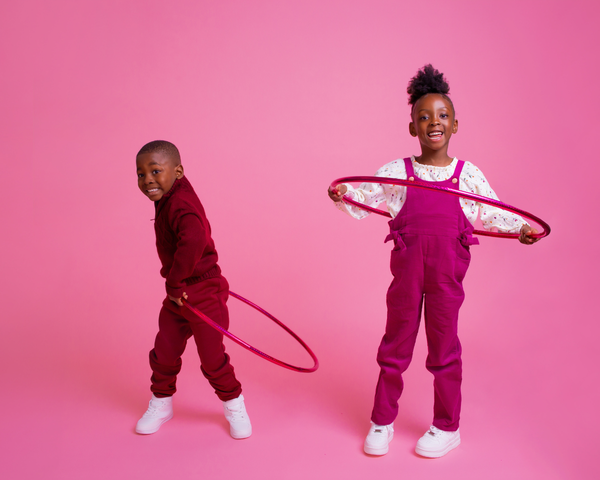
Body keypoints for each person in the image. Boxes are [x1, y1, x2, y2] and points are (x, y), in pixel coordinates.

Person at [328, 65, 539, 458]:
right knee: (394, 348)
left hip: (446, 281)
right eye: (424, 117)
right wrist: (343, 195)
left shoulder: (467, 175)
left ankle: (446, 426)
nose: (433, 123)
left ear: (455, 125)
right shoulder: (398, 174)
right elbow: (365, 199)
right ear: (412, 128)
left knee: (444, 351)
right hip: (406, 281)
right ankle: (382, 420)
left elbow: (493, 212)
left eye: (442, 116)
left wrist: (521, 229)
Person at [135, 140, 251, 439]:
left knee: (212, 359)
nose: (147, 179)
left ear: (178, 171)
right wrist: (174, 287)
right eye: (140, 173)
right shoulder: (169, 194)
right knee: (165, 350)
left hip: (202, 291)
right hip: (178, 293)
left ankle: (233, 404)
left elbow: (195, 240)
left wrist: (174, 283)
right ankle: (161, 403)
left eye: (156, 171)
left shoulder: (180, 204)